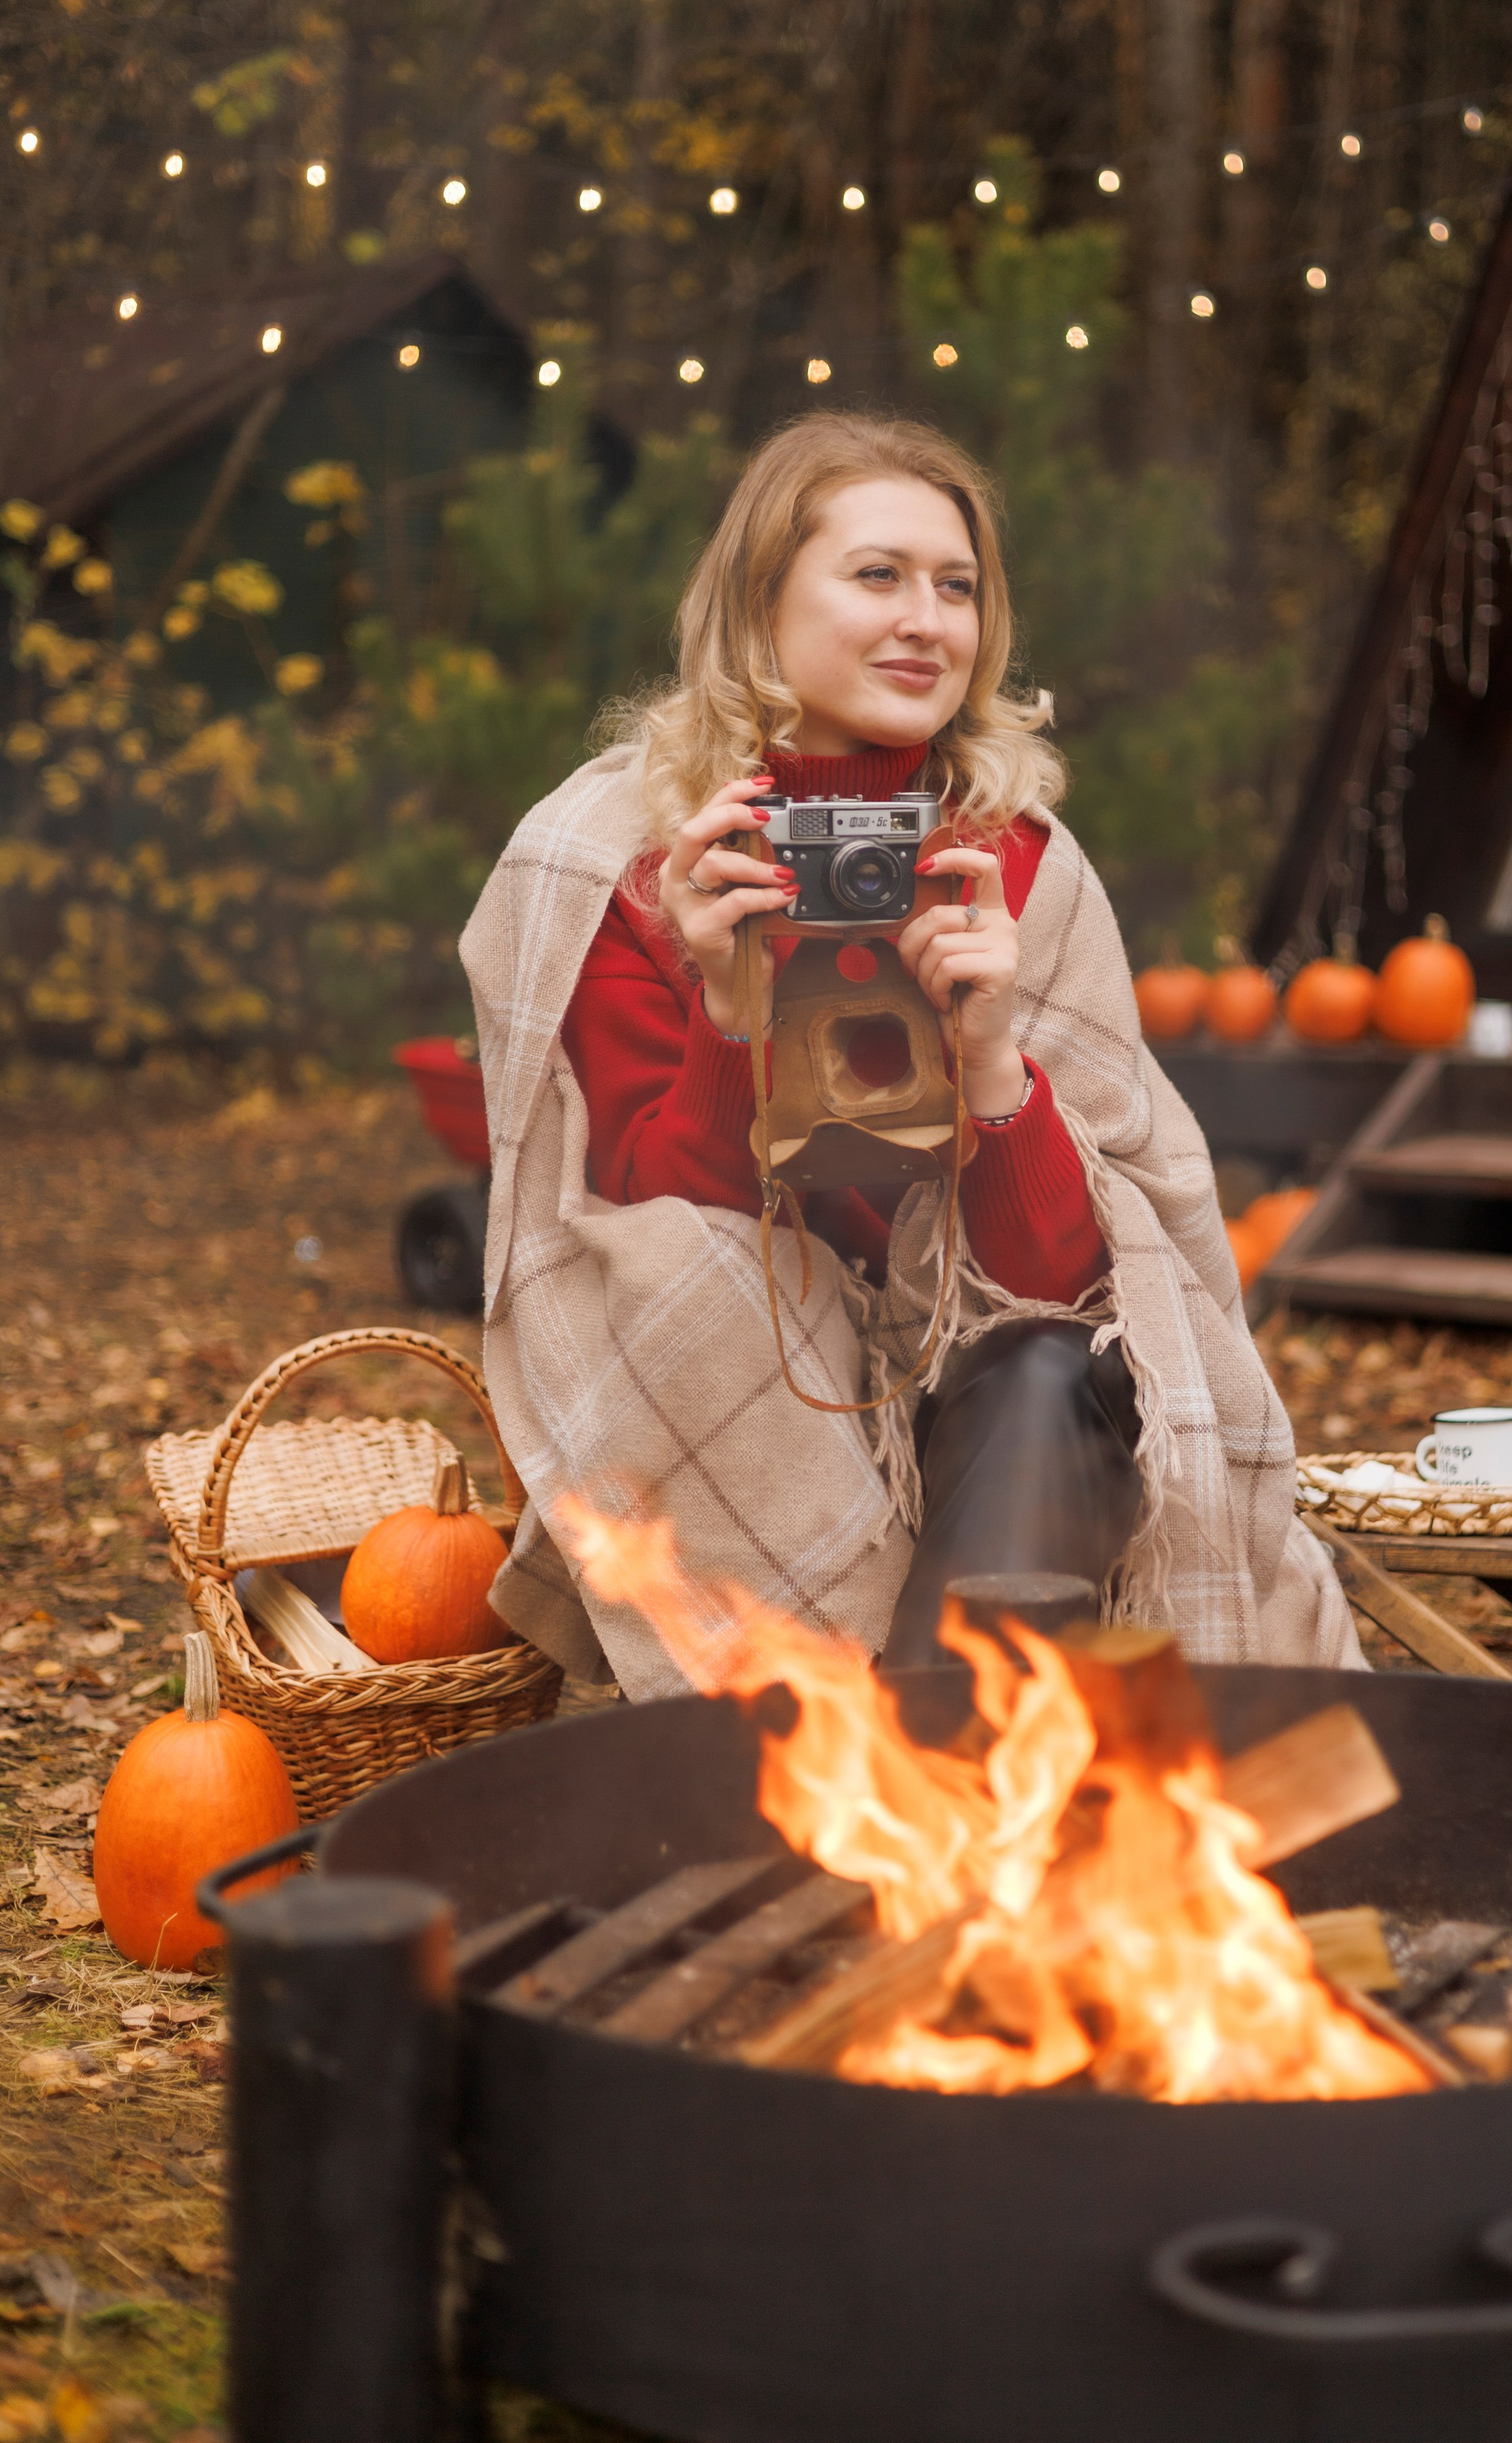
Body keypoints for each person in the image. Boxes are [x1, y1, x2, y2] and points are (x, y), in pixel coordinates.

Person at [461, 413, 1360, 1695]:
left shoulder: (1022, 865)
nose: (927, 622)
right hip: (744, 1390)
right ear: (759, 599)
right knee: (684, 1260)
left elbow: (1084, 1293)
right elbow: (661, 1253)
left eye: (959, 588)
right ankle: (931, 1786)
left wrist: (994, 1067)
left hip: (993, 1406)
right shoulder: (622, 862)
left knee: (1051, 1378)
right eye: (877, 575)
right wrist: (731, 1019)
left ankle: (927, 1799)